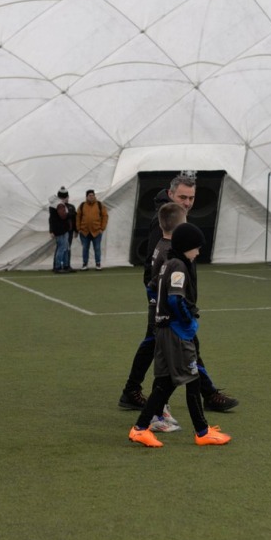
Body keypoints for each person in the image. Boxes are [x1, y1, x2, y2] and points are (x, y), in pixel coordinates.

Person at [119, 174, 238, 413]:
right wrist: (159, 299)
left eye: (191, 198)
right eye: (183, 197)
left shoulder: (178, 217)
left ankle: (131, 391)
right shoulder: (164, 220)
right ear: (171, 193)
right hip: (167, 301)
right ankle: (208, 395)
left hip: (172, 298)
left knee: (154, 344)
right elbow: (152, 264)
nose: (187, 202)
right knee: (187, 344)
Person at [128, 223, 231, 448]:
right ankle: (202, 432)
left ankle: (140, 429)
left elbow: (151, 287)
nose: (199, 252)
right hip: (177, 333)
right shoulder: (179, 266)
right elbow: (175, 299)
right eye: (197, 247)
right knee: (193, 380)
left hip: (164, 331)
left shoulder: (167, 263)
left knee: (165, 383)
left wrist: (159, 310)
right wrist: (188, 321)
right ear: (186, 247)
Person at [77, 189, 108, 271]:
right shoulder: (82, 205)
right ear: (86, 197)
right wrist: (78, 228)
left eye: (92, 195)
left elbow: (105, 216)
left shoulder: (99, 205)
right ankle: (85, 264)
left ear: (94, 196)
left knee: (97, 248)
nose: (91, 197)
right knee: (85, 248)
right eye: (89, 195)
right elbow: (78, 217)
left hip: (97, 231)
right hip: (84, 231)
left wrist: (102, 228)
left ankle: (98, 264)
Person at [48, 187, 76, 273]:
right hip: (61, 230)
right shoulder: (59, 204)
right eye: (67, 197)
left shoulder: (55, 204)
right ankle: (58, 266)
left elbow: (51, 219)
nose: (68, 198)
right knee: (62, 248)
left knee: (65, 247)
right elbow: (63, 216)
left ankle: (65, 266)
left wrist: (51, 230)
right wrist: (71, 214)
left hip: (61, 229)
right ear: (65, 197)